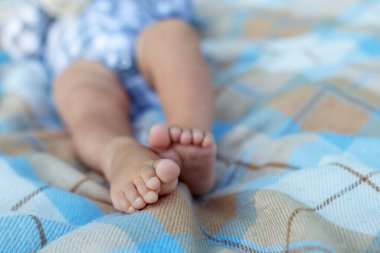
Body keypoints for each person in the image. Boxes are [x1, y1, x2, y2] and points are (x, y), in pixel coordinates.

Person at [2, 0, 216, 213]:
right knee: (75, 89)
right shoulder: (39, 11)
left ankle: (187, 136)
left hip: (142, 40)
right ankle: (119, 153)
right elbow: (19, 42)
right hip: (85, 63)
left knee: (173, 34)